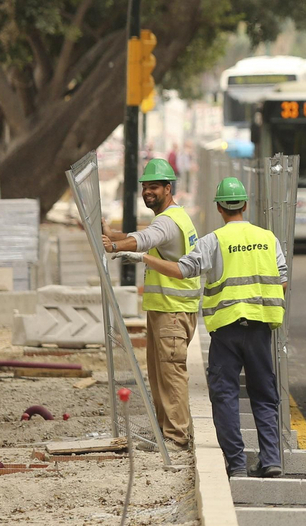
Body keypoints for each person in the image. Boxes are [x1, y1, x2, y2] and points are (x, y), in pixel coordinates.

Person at [113, 177, 288, 478]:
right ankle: (271, 460)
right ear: (245, 205)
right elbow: (282, 281)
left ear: (219, 207)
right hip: (260, 329)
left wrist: (144, 258)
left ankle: (236, 464)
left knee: (225, 395)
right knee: (264, 394)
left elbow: (181, 270)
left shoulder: (213, 241)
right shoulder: (268, 239)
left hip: (226, 330)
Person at [101, 158, 200, 450]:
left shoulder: (167, 222)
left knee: (170, 373)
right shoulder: (174, 217)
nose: (148, 192)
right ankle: (167, 431)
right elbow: (145, 235)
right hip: (167, 310)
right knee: (160, 374)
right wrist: (113, 234)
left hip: (172, 311)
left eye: (154, 187)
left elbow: (146, 238)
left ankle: (177, 436)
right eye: (145, 187)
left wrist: (116, 246)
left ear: (169, 188)